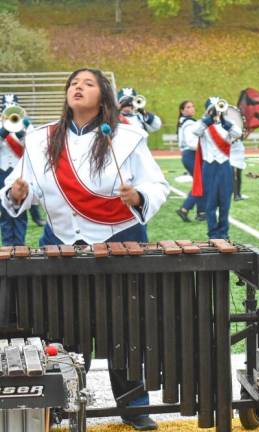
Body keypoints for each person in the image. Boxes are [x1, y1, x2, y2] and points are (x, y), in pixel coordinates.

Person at [1, 68, 169, 431]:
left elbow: (157, 184)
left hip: (119, 242)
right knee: (64, 328)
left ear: (103, 95)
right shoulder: (41, 139)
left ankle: (134, 407)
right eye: (73, 83)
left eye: (88, 83)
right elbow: (23, 186)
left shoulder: (127, 137)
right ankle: (65, 402)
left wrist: (139, 196)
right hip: (60, 244)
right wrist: (17, 194)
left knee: (126, 328)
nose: (78, 87)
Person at [189, 96, 242, 239]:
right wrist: (208, 120)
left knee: (225, 202)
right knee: (210, 203)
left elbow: (238, 133)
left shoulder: (227, 124)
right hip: (209, 166)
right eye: (213, 109)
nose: (216, 112)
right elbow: (195, 132)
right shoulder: (203, 125)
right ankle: (213, 233)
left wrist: (225, 122)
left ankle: (224, 232)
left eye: (218, 108)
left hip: (224, 166)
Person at [0, 94, 31, 245]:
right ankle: (7, 246)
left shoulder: (27, 125)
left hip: (20, 173)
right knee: (4, 211)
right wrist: (3, 132)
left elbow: (33, 147)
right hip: (2, 172)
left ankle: (19, 246)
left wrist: (21, 133)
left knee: (20, 208)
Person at [175, 100, 206, 222]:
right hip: (191, 155)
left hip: (191, 155)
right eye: (188, 107)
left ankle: (201, 212)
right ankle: (185, 209)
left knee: (200, 183)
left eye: (192, 106)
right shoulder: (188, 123)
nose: (191, 109)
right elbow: (191, 143)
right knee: (200, 183)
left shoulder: (187, 122)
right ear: (182, 111)